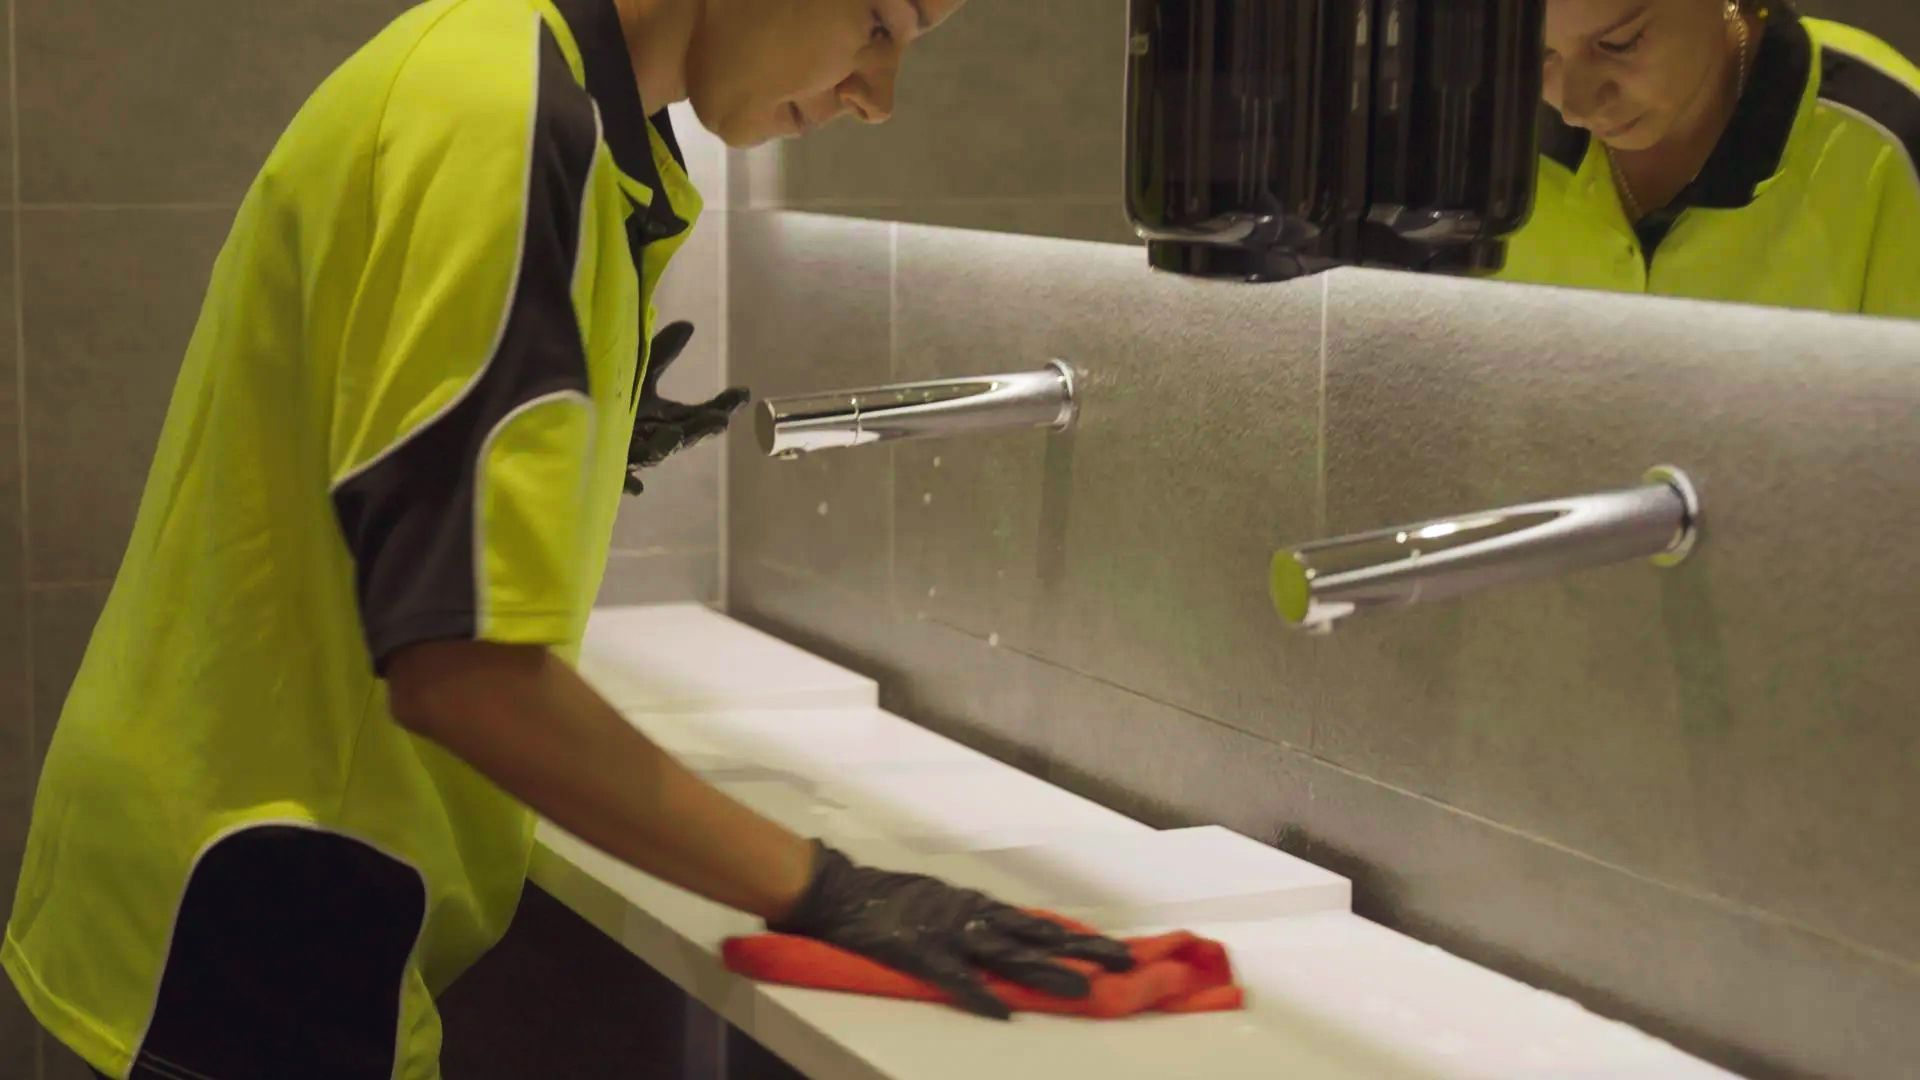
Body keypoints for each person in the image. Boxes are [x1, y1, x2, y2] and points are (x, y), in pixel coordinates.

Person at [3, 1, 1135, 1077]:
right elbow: (465, 678)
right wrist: (823, 891)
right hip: (263, 891)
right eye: (881, 23)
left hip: (242, 844)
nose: (878, 93)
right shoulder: (502, 120)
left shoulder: (541, 89)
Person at [1499, 0, 1920, 317]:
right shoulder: (1483, 128)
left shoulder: (1888, 141)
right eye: (1538, 52)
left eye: (1618, 44)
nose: (1574, 106)